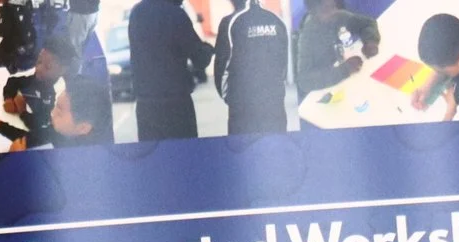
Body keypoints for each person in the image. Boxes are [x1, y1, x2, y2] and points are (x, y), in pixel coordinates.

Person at [127, 0, 215, 139]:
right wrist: (210, 49)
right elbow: (200, 59)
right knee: (183, 156)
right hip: (176, 104)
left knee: (154, 158)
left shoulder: (137, 13)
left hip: (146, 105)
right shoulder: (175, 14)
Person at [214, 0, 291, 135]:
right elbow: (283, 64)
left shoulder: (230, 22)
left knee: (244, 152)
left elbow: (221, 68)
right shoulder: (276, 20)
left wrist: (232, 99)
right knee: (275, 151)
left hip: (242, 109)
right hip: (274, 106)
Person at [295, 0, 379, 95]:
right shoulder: (307, 38)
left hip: (348, 79)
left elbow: (368, 23)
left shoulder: (339, 17)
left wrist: (370, 41)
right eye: (326, 10)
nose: (333, 12)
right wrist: (344, 70)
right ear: (313, 13)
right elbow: (304, 81)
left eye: (333, 6)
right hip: (327, 89)